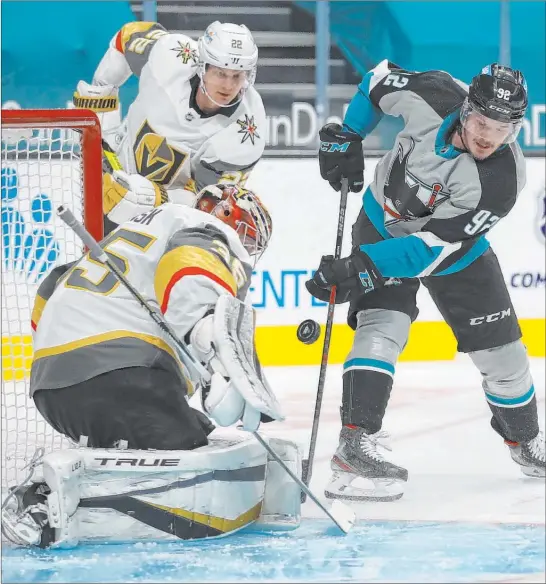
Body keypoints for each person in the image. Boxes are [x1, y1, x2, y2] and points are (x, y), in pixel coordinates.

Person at [2, 185, 301, 547]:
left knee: (190, 427)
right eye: (250, 235)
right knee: (184, 453)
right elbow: (190, 268)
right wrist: (209, 338)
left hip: (52, 385)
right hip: (121, 373)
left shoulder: (132, 232)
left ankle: (93, 461)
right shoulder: (206, 228)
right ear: (229, 214)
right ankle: (41, 497)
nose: (246, 247)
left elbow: (50, 290)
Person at [306, 61, 545, 502]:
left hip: (454, 255)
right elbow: (376, 82)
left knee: (505, 358)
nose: (489, 136)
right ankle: (354, 443)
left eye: (504, 129)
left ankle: (526, 441)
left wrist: (357, 266)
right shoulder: (433, 94)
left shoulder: (501, 181)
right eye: (482, 122)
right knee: (383, 326)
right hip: (382, 223)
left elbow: (429, 250)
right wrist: (349, 133)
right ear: (466, 109)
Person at [73, 20, 266, 233]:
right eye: (221, 73)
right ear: (203, 66)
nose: (229, 86)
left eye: (237, 76)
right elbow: (127, 36)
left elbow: (210, 205)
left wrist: (152, 197)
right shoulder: (170, 56)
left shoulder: (246, 130)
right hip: (113, 169)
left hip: (168, 219)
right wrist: (101, 90)